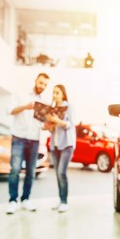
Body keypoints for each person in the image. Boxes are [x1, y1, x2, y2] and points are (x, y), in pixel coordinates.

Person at [6, 72, 50, 214]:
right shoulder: (21, 94)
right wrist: (25, 107)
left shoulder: (45, 103)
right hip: (19, 137)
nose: (42, 86)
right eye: (41, 82)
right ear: (36, 80)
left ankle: (26, 199)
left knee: (31, 172)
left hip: (34, 139)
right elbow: (10, 110)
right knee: (15, 170)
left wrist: (47, 125)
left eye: (45, 84)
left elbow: (42, 124)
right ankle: (13, 201)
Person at [45, 84, 76, 213]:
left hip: (67, 144)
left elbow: (70, 124)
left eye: (57, 92)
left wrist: (57, 120)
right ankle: (60, 201)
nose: (54, 95)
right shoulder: (52, 109)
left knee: (61, 173)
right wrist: (49, 123)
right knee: (57, 174)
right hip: (55, 145)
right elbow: (52, 129)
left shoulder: (69, 107)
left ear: (63, 94)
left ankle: (64, 202)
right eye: (53, 92)